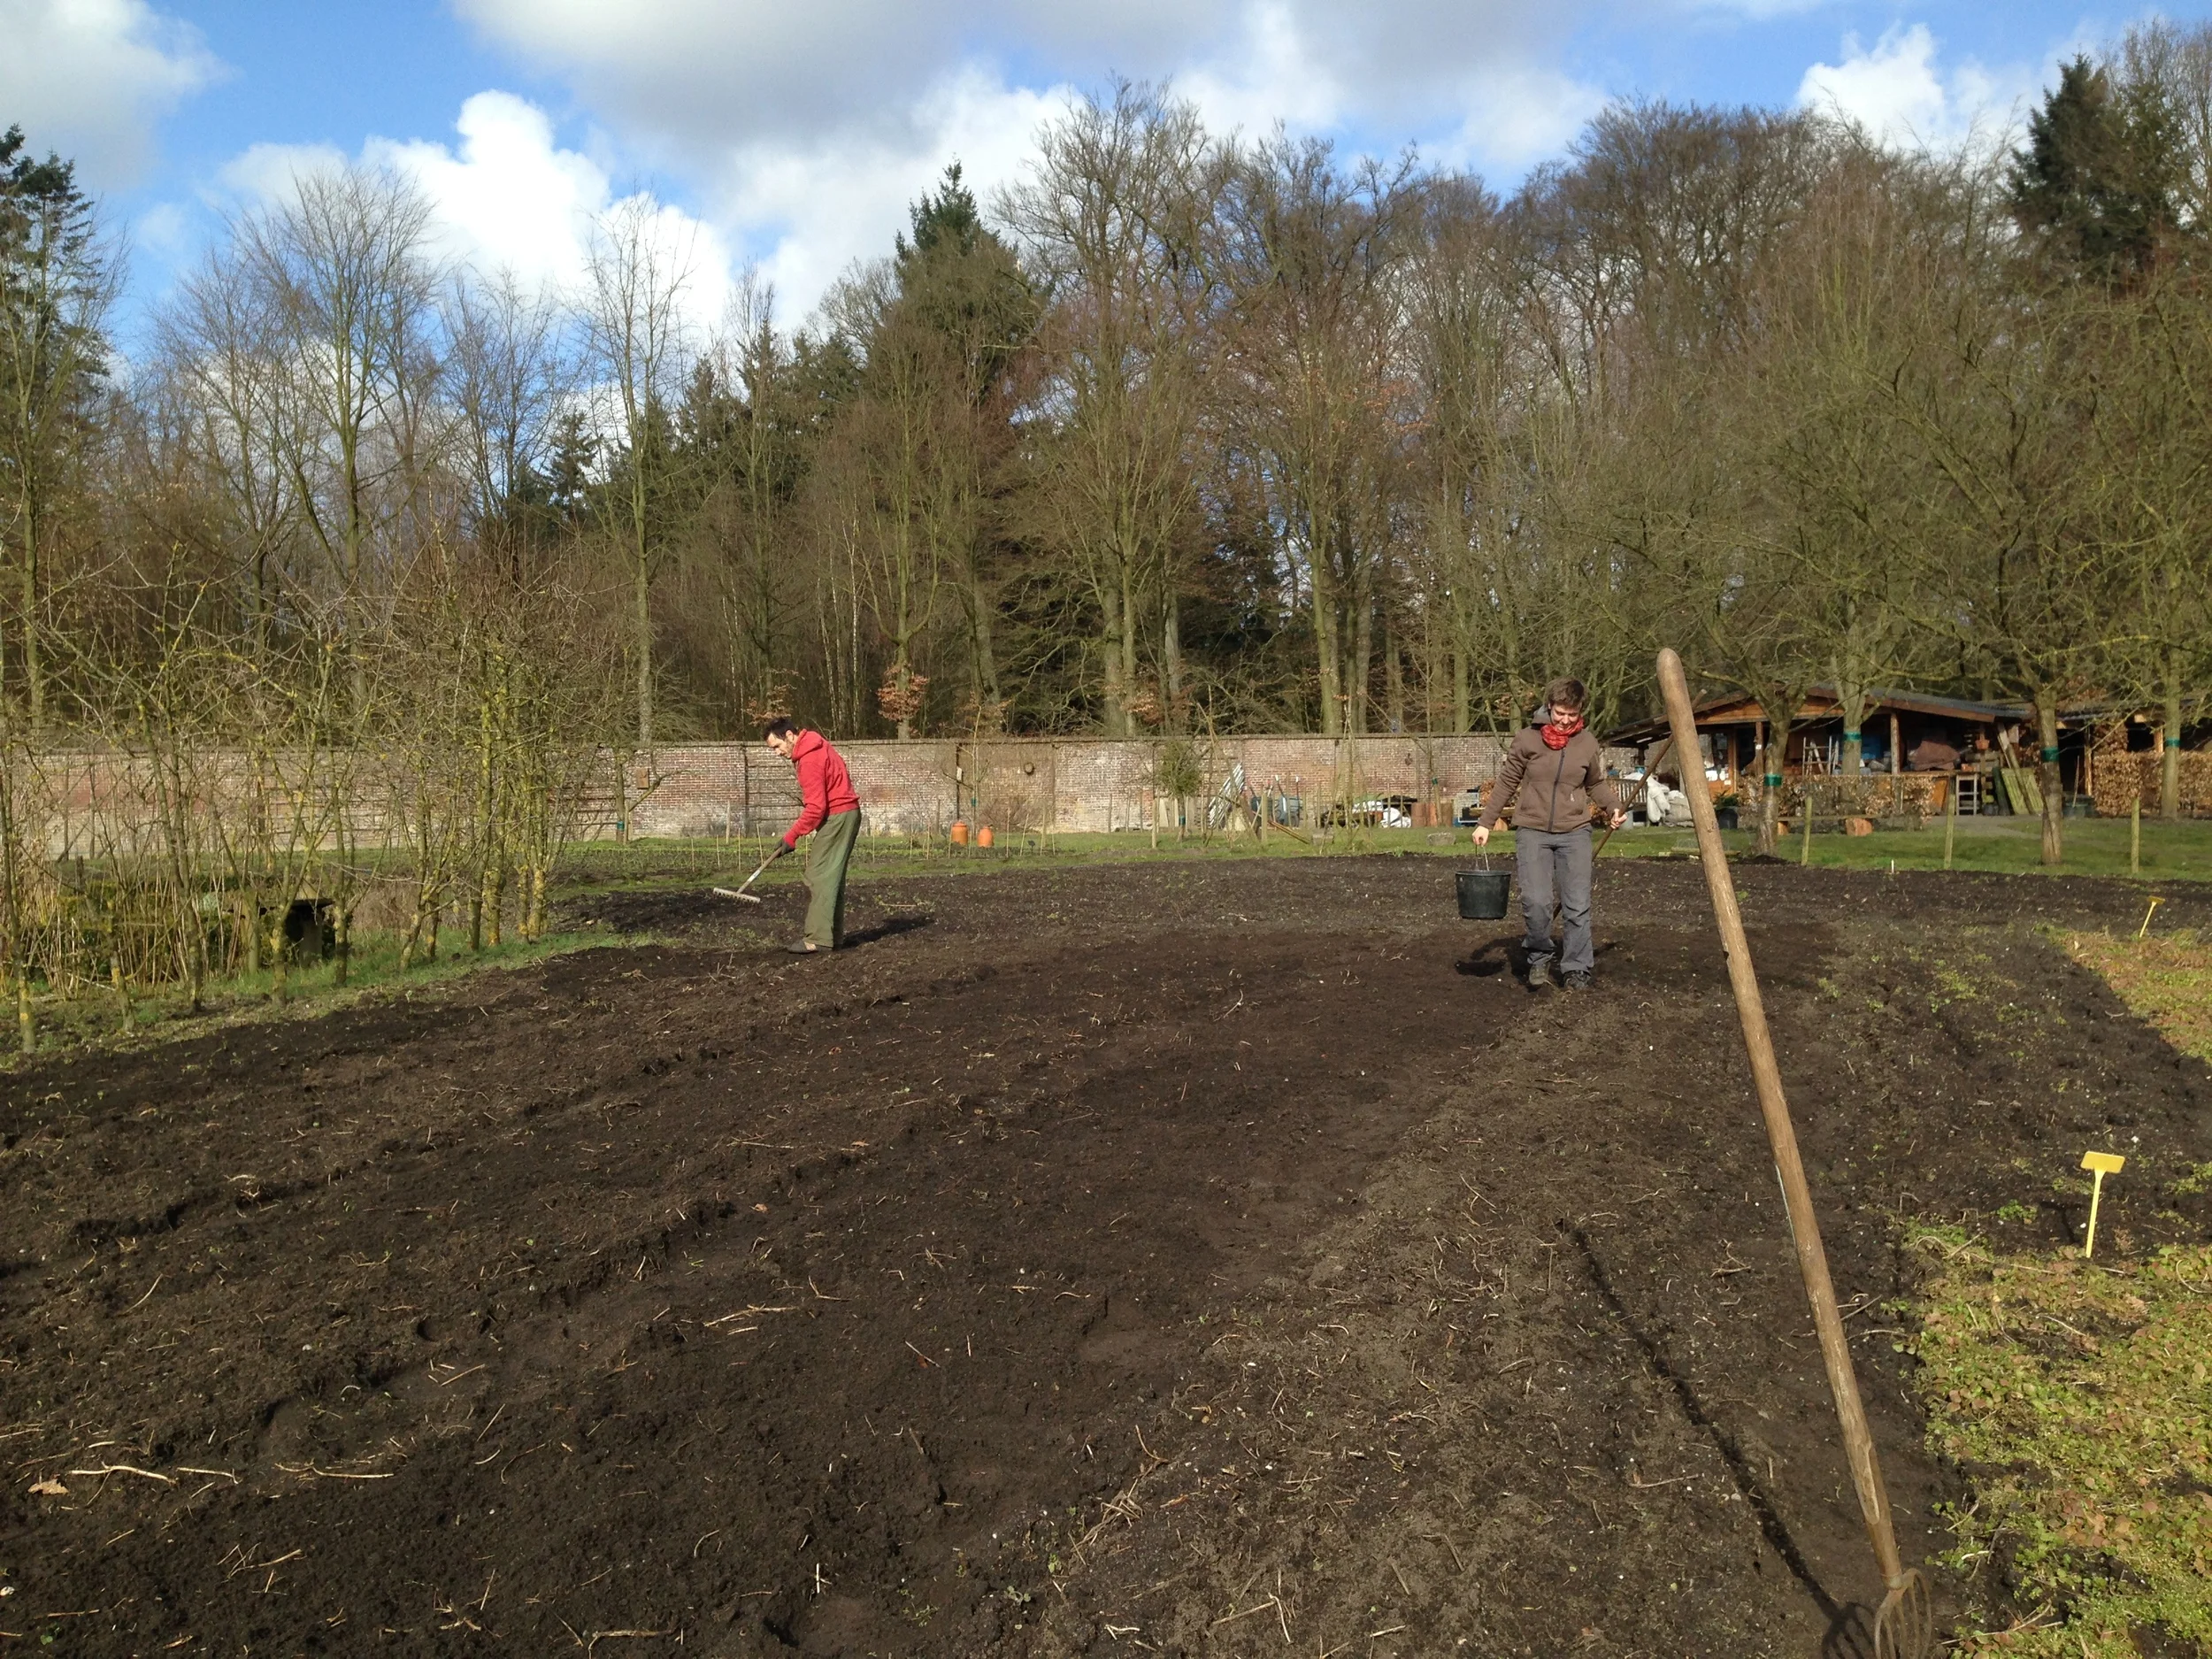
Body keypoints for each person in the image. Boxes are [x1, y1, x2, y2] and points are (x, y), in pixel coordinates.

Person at [1472, 678, 1626, 991]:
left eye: (1572, 714)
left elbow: (1595, 782)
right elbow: (1506, 782)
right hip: (1533, 831)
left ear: (1580, 711)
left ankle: (1577, 968)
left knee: (1577, 904)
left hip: (1575, 832)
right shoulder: (1527, 740)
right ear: (1549, 707)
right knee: (1537, 901)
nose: (1566, 720)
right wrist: (1485, 823)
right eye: (1560, 713)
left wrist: (1612, 807)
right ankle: (1539, 956)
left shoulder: (1587, 743)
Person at [764, 717, 862, 954]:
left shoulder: (809, 758)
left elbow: (816, 808)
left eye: (776, 746)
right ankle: (832, 938)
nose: (776, 753)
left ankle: (817, 939)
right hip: (845, 814)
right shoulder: (815, 745)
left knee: (819, 875)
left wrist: (791, 836)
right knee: (831, 875)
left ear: (789, 735)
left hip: (839, 816)